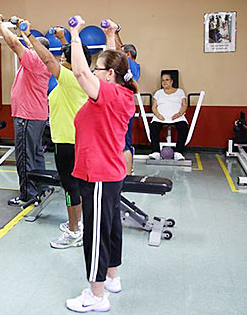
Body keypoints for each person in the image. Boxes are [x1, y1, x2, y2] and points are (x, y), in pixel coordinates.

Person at [65, 16, 136, 313]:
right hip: (110, 172)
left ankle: (96, 296)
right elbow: (111, 65)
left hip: (97, 175)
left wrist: (74, 34)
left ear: (108, 76)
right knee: (109, 227)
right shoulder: (123, 92)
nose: (94, 72)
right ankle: (112, 277)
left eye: (99, 70)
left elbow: (80, 71)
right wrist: (110, 35)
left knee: (94, 233)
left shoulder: (106, 95)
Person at [28, 26, 91, 249]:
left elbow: (46, 59)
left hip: (68, 142)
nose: (60, 60)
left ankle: (74, 232)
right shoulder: (85, 80)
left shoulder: (70, 78)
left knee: (70, 188)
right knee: (76, 188)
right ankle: (77, 225)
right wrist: (65, 37)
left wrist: (28, 35)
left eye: (64, 57)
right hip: (74, 141)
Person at [0, 13, 51, 207]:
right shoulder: (44, 61)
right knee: (36, 154)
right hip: (37, 115)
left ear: (37, 50)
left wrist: (0, 24)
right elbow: (24, 43)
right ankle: (42, 187)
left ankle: (28, 195)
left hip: (27, 116)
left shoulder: (35, 61)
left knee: (25, 156)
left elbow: (15, 45)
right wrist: (20, 28)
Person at [110, 19, 141, 174]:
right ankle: (125, 170)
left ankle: (128, 174)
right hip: (123, 107)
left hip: (124, 108)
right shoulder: (131, 68)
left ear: (128, 55)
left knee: (125, 144)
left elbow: (119, 51)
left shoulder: (132, 66)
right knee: (122, 143)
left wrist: (115, 33)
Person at [148, 73, 188, 161]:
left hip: (176, 116)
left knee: (183, 126)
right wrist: (158, 115)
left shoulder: (180, 91)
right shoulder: (158, 93)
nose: (164, 82)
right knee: (154, 126)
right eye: (163, 80)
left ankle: (178, 152)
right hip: (161, 116)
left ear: (172, 81)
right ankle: (156, 152)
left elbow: (184, 105)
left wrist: (179, 113)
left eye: (167, 80)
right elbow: (154, 107)